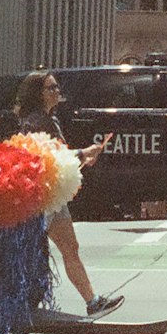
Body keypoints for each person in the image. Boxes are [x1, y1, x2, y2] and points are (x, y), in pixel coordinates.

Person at [14, 70, 124, 319]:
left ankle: (93, 301)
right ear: (38, 94)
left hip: (52, 196)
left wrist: (83, 157)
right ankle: (20, 302)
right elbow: (48, 158)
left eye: (56, 87)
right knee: (34, 251)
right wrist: (84, 153)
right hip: (43, 197)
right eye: (50, 88)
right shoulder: (38, 121)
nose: (56, 92)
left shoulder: (46, 119)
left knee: (70, 247)